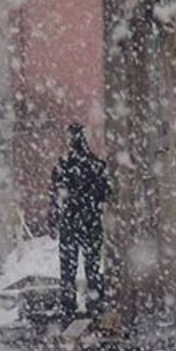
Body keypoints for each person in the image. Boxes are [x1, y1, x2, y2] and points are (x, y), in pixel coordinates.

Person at [48, 123, 109, 322]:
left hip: (71, 221)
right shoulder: (96, 165)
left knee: (68, 268)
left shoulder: (63, 166)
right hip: (90, 221)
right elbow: (105, 193)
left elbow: (56, 195)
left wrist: (54, 216)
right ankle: (94, 304)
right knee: (92, 266)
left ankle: (68, 305)